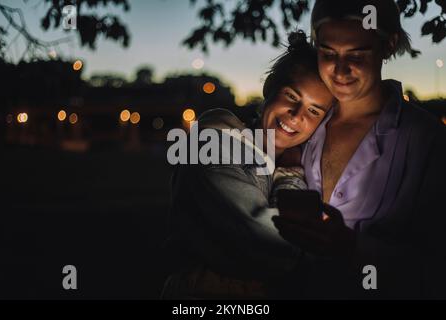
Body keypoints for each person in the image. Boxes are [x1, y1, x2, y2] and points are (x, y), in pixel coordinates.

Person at [272, 0, 446, 299]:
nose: (340, 70)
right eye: (328, 53)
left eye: (357, 53)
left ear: (388, 46)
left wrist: (352, 248)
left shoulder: (426, 140)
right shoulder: (306, 125)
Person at [161, 31, 335, 299]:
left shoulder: (303, 161)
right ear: (269, 87)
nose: (297, 116)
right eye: (291, 96)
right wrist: (290, 174)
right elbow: (277, 248)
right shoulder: (213, 143)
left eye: (314, 111)